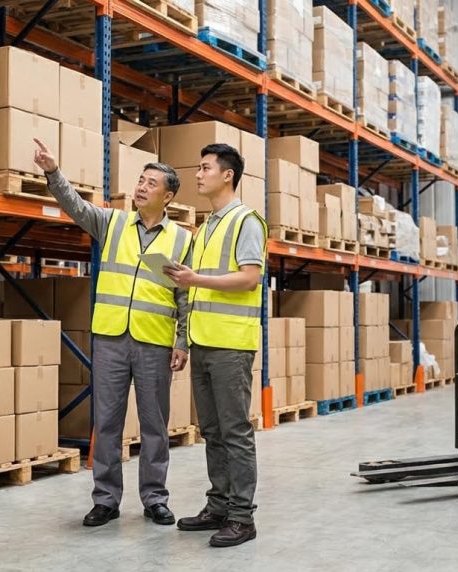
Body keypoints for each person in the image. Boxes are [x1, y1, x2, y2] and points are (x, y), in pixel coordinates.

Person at [32, 139, 192, 528]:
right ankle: (105, 499)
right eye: (139, 180)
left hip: (154, 341)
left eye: (150, 183)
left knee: (155, 424)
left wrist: (182, 340)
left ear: (168, 196)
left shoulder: (183, 240)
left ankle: (155, 498)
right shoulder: (114, 222)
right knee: (106, 422)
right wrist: (54, 172)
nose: (140, 187)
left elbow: (187, 296)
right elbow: (76, 207)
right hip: (110, 339)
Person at [163, 143, 266, 548]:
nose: (198, 174)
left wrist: (196, 280)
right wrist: (184, 340)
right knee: (212, 430)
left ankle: (242, 517)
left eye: (205, 168)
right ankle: (219, 505)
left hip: (231, 345)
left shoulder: (246, 222)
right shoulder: (205, 227)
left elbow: (249, 278)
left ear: (228, 175)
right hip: (204, 343)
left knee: (235, 431)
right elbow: (196, 292)